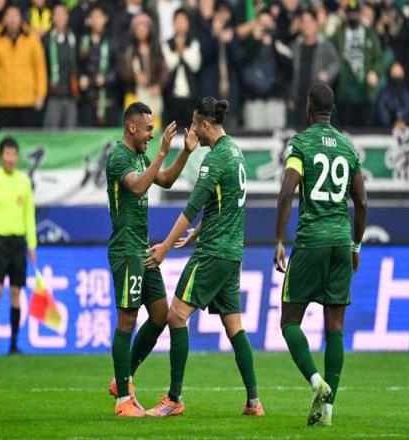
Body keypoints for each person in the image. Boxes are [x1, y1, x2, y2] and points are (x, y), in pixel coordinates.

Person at [145, 97, 264, 417]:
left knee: (175, 316)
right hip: (232, 252)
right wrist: (196, 232)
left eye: (195, 124)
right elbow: (224, 204)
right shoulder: (235, 152)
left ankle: (174, 399)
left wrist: (165, 246)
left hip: (212, 253)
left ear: (206, 125)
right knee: (235, 326)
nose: (192, 130)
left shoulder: (214, 160)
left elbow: (192, 207)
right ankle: (254, 401)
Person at [273, 84, 368, 426]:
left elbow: (287, 192)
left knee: (289, 321)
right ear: (334, 109)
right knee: (335, 328)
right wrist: (355, 246)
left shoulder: (301, 144)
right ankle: (328, 413)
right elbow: (362, 203)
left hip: (312, 240)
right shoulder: (347, 147)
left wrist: (278, 240)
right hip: (341, 242)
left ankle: (317, 383)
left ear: (308, 106)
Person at [106, 102, 198, 417]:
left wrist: (184, 152)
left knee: (160, 315)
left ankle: (123, 378)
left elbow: (166, 180)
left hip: (143, 249)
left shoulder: (140, 156)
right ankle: (122, 402)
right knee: (127, 321)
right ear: (131, 127)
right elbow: (136, 187)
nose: (150, 134)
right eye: (147, 129)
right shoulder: (119, 157)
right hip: (126, 251)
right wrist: (161, 152)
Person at [0, 137, 37, 355]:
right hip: (0, 242)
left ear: (17, 156)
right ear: (1, 156)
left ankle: (13, 344)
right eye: (7, 154)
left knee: (16, 293)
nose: (10, 159)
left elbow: (29, 214)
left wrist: (31, 244)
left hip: (19, 243)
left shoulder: (23, 181)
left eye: (14, 154)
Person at [0, 4, 47, 128]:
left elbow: (40, 69)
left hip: (28, 101)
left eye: (16, 16)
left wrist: (40, 94)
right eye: (10, 16)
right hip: (4, 101)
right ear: (4, 18)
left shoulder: (32, 39)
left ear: (20, 18)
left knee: (27, 137)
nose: (13, 20)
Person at [290, 8, 339, 129]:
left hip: (318, 103)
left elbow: (336, 64)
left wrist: (327, 74)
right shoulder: (295, 45)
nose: (306, 25)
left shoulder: (325, 44)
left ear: (316, 23)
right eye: (303, 22)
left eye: (310, 21)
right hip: (299, 100)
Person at [77, 5, 118, 126]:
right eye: (93, 17)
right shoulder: (83, 40)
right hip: (87, 96)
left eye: (99, 17)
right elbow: (76, 64)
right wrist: (81, 77)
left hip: (107, 96)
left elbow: (118, 67)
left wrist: (106, 78)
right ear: (89, 20)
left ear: (105, 19)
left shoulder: (112, 40)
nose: (96, 21)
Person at [162, 7, 202, 129]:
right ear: (173, 24)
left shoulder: (194, 42)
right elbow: (169, 64)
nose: (180, 24)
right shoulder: (167, 44)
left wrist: (180, 52)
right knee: (172, 130)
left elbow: (195, 65)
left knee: (191, 130)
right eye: (178, 21)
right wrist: (183, 52)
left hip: (191, 97)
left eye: (183, 21)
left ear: (188, 24)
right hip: (171, 97)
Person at [42, 3, 79, 128]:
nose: (60, 18)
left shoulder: (74, 38)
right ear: (52, 17)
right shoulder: (46, 39)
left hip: (71, 95)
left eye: (63, 14)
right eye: (57, 15)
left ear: (67, 17)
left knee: (71, 133)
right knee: (53, 132)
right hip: (53, 95)